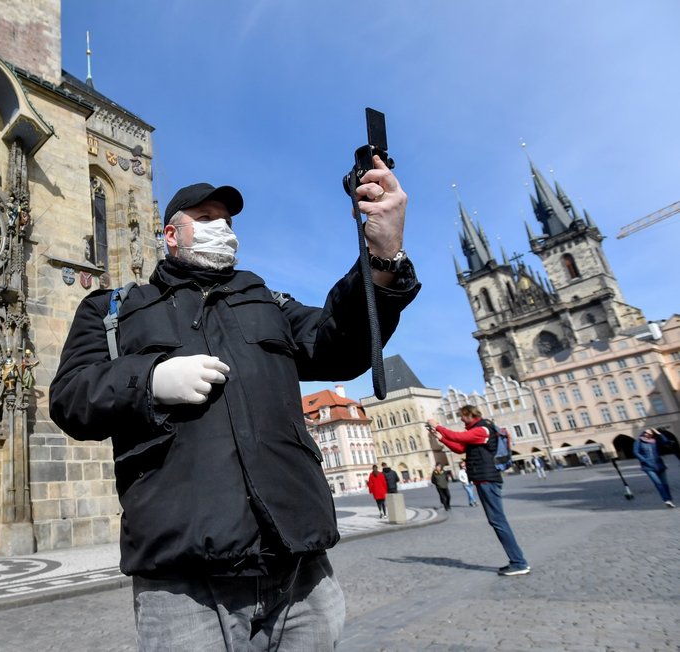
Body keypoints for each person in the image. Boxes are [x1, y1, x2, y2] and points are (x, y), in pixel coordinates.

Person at [50, 161, 419, 650]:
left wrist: (382, 252)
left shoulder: (267, 300)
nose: (221, 227)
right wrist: (149, 381)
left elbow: (342, 345)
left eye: (227, 220)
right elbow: (71, 397)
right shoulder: (114, 310)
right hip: (184, 578)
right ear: (171, 234)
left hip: (299, 566)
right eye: (205, 217)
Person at [427, 405, 531, 576]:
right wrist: (441, 438)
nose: (460, 419)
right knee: (496, 520)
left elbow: (458, 436)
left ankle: (519, 562)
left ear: (469, 414)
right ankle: (517, 561)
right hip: (482, 479)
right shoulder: (477, 430)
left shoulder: (482, 429)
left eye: (462, 416)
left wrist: (438, 425)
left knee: (498, 520)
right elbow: (460, 447)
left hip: (487, 479)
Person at [633, 428, 675, 508]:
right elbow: (635, 452)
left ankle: (669, 500)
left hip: (660, 465)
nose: (646, 434)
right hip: (648, 467)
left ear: (652, 435)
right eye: (645, 432)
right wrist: (644, 460)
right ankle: (666, 500)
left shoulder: (655, 441)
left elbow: (666, 442)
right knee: (658, 483)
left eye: (649, 433)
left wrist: (658, 433)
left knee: (665, 484)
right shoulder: (638, 441)